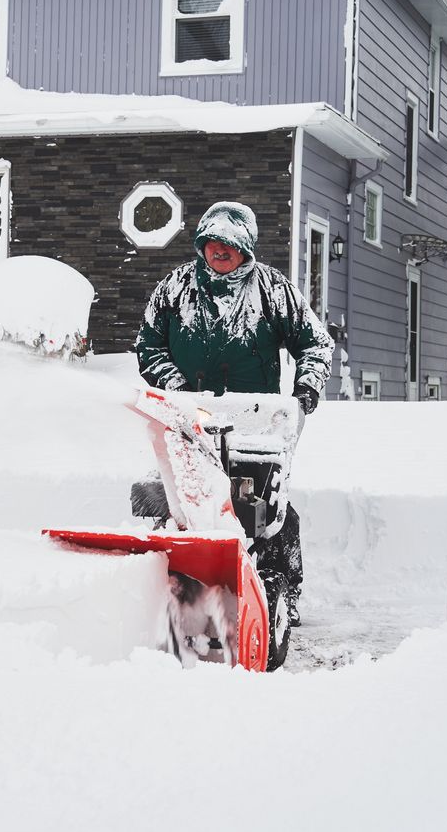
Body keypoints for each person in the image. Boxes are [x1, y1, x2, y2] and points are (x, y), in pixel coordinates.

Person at [135, 200, 334, 627]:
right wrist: (176, 387)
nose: (220, 251)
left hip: (254, 426)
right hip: (187, 422)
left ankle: (280, 594)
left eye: (230, 244)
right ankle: (156, 587)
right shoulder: (174, 289)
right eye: (213, 243)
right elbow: (149, 345)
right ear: (201, 244)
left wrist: (305, 390)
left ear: (246, 247)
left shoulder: (273, 290)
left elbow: (316, 343)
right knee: (165, 499)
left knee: (266, 512)